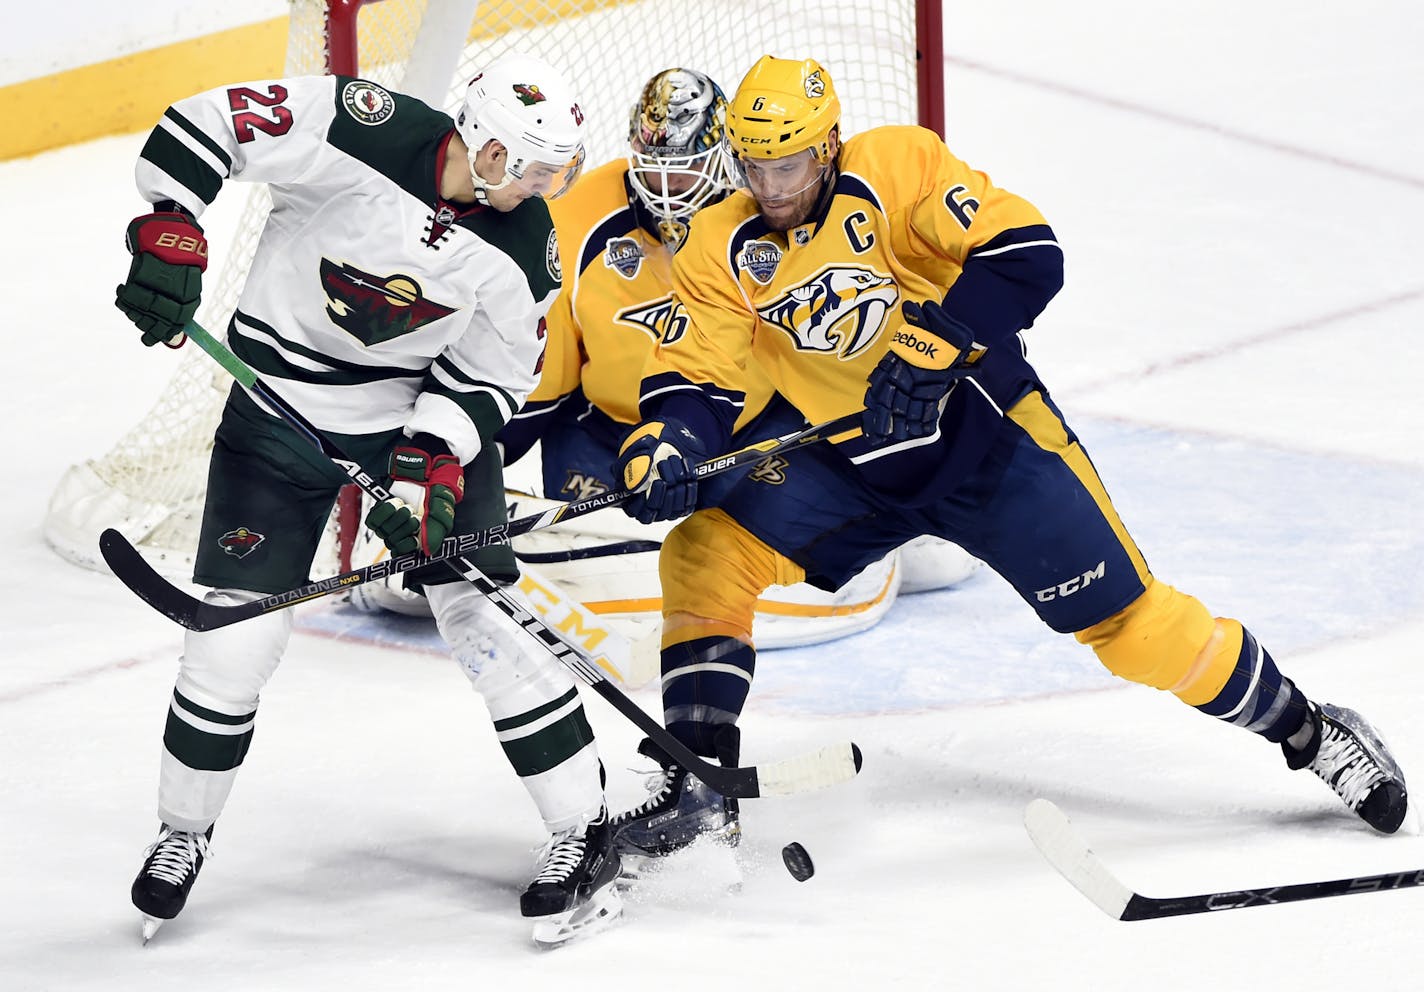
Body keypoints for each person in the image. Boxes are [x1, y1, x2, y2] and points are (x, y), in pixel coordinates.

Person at [608, 55, 1408, 854]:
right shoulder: (719, 240)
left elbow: (1027, 251)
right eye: (754, 165)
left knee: (1132, 628)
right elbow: (699, 377)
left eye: (787, 164)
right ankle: (700, 785)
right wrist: (668, 440)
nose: (771, 185)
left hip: (987, 443)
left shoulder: (898, 167)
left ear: (827, 147)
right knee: (705, 552)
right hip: (850, 464)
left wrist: (932, 347)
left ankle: (1309, 732)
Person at [112, 55, 622, 946]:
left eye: (558, 172)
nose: (540, 186)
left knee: (485, 619)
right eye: (526, 165)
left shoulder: (523, 250)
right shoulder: (365, 125)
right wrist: (170, 224)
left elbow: (493, 377)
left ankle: (582, 830)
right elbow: (209, 120)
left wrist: (427, 466)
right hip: (274, 415)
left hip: (406, 428)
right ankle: (181, 835)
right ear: (478, 139)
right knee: (232, 638)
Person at [495, 67, 976, 857]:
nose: (670, 192)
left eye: (688, 171)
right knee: (597, 559)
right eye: (654, 174)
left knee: (763, 563)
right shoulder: (578, 217)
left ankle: (888, 543)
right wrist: (464, 473)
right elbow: (543, 385)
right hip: (618, 439)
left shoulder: (772, 219)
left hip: (754, 434)